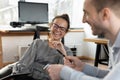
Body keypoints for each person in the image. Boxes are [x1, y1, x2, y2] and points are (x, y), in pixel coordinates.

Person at [47, 0, 120, 80]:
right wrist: (83, 67)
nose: (83, 20)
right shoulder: (113, 43)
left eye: (87, 13)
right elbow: (111, 75)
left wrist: (64, 73)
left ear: (105, 14)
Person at [0, 14, 73, 80]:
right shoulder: (38, 43)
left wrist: (63, 53)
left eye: (62, 29)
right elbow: (24, 64)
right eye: (55, 26)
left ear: (65, 32)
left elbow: (65, 74)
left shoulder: (67, 52)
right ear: (51, 26)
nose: (57, 30)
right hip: (25, 75)